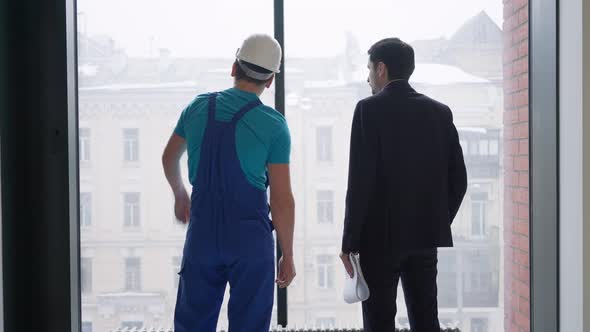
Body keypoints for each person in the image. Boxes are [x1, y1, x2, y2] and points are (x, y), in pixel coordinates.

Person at [162, 34, 296, 332]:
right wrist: (287, 253)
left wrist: (180, 194)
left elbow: (169, 158)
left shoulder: (197, 107)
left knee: (192, 325)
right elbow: (282, 200)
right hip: (250, 241)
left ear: (234, 67)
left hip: (203, 236)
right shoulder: (274, 125)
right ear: (271, 80)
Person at [340, 37, 468, 332]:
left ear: (381, 69)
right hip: (424, 238)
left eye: (369, 69)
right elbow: (458, 181)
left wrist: (349, 242)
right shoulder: (439, 112)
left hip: (377, 241)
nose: (368, 76)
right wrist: (435, 221)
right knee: (425, 321)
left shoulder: (367, 110)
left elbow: (359, 184)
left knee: (379, 322)